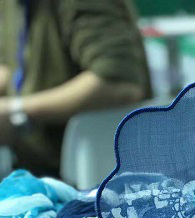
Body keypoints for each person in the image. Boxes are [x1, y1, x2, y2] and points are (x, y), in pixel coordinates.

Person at [0, 0, 152, 176]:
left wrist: (16, 111)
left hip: (97, 176)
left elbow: (120, 84)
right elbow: (11, 66)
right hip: (37, 167)